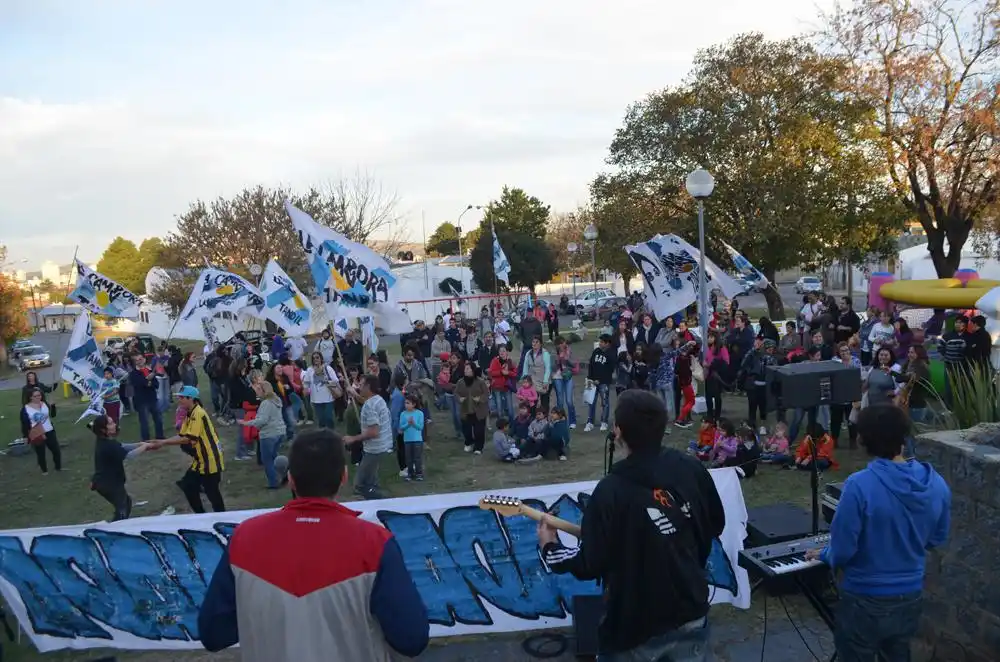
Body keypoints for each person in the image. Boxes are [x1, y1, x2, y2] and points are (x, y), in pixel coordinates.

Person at [197, 427, 430, 660]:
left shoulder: (244, 538)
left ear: (290, 480)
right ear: (344, 477)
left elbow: (214, 633)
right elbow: (411, 638)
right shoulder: (375, 543)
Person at [538, 390, 725, 659]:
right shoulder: (691, 468)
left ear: (618, 431)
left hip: (635, 628)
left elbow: (590, 563)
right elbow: (715, 523)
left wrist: (550, 546)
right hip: (691, 609)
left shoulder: (610, 491)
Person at [805, 405, 950, 661]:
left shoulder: (859, 486)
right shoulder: (936, 483)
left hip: (864, 598)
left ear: (863, 439)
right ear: (904, 435)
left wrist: (826, 555)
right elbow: (937, 538)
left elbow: (843, 550)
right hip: (910, 595)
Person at [153, 386, 226, 513]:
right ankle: (201, 515)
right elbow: (182, 435)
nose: (179, 400)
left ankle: (221, 517)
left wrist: (163, 442)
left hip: (210, 459)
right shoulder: (190, 413)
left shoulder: (198, 413)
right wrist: (161, 442)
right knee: (188, 486)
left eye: (181, 397)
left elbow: (188, 439)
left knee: (212, 493)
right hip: (201, 460)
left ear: (191, 399)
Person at [89, 414, 154, 520]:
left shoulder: (106, 441)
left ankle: (118, 525)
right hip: (109, 484)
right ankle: (117, 529)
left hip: (107, 482)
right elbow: (129, 456)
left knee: (126, 503)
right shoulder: (107, 445)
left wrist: (139, 444)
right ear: (103, 429)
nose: (114, 424)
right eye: (110, 423)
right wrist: (145, 446)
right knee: (123, 508)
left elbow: (122, 446)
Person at [343, 375, 394, 499]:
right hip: (382, 446)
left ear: (368, 387)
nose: (359, 386)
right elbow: (367, 403)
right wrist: (354, 394)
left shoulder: (369, 406)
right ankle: (377, 499)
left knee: (359, 485)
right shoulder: (378, 400)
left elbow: (374, 432)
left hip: (374, 449)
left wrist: (352, 438)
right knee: (371, 481)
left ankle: (382, 503)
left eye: (361, 384)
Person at [239, 382, 287, 489]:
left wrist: (246, 423)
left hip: (269, 434)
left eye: (259, 389)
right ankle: (285, 476)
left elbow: (262, 421)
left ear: (264, 391)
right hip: (280, 432)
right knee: (274, 456)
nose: (257, 391)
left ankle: (274, 483)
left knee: (267, 460)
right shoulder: (276, 400)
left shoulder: (266, 403)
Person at [21, 388, 62, 474]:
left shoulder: (44, 404)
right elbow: (24, 424)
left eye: (39, 395)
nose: (38, 397)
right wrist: (25, 436)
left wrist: (53, 406)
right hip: (37, 432)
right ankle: (44, 471)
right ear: (30, 397)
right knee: (41, 453)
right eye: (35, 396)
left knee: (56, 450)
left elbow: (53, 415)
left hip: (49, 430)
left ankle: (58, 467)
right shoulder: (25, 409)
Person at [455, 363, 489, 454]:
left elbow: (486, 394)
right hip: (466, 410)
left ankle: (478, 447)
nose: (465, 370)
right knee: (466, 430)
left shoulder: (480, 382)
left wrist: (480, 399)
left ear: (473, 371)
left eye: (468, 369)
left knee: (479, 430)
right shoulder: (460, 382)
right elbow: (456, 393)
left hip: (479, 410)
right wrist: (459, 398)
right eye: (465, 369)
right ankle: (468, 443)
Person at [129, 353, 165, 441]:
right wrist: (148, 380)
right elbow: (139, 383)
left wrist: (149, 382)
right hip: (141, 401)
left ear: (144, 359)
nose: (139, 361)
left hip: (153, 399)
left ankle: (160, 437)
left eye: (140, 359)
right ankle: (146, 440)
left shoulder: (149, 370)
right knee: (144, 422)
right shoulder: (133, 373)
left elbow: (156, 384)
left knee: (158, 419)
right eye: (136, 360)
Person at [585, 334, 616, 432]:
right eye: (600, 341)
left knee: (605, 402)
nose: (600, 343)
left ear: (607, 343)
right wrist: (590, 378)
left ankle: (604, 422)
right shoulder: (596, 351)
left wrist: (600, 379)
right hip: (592, 381)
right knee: (591, 402)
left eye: (602, 342)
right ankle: (590, 422)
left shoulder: (611, 354)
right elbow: (591, 366)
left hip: (604, 382)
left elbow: (609, 370)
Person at [399, 394, 425, 481]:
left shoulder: (419, 413)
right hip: (407, 440)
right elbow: (401, 427)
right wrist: (408, 424)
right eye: (405, 403)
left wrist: (413, 423)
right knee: (409, 458)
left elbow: (420, 427)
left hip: (417, 440)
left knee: (417, 458)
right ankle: (410, 473)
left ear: (413, 404)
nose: (406, 405)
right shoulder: (403, 414)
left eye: (408, 403)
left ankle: (419, 473)